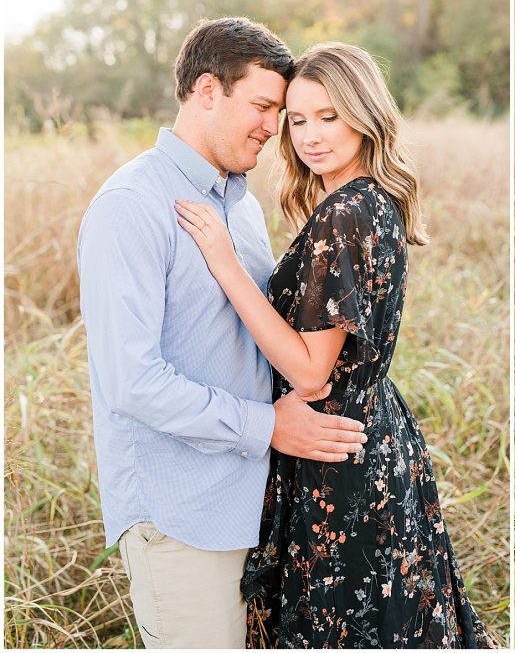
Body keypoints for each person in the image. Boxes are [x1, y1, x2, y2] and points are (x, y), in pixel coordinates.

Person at [173, 42, 491, 648]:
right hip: (368, 434)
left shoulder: (346, 212)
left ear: (364, 114)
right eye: (296, 120)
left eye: (329, 116)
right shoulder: (373, 200)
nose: (310, 136)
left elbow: (312, 371)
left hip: (338, 449)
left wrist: (224, 262)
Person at [78, 17, 368, 649]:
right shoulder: (131, 206)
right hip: (179, 514)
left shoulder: (240, 203)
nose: (274, 127)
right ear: (207, 91)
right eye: (263, 106)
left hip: (254, 504)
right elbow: (132, 382)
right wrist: (269, 426)